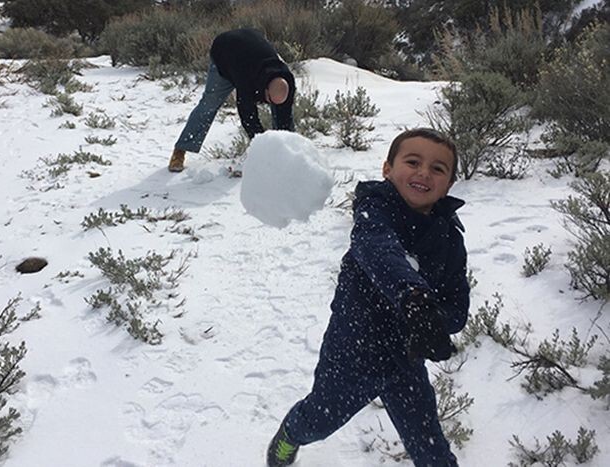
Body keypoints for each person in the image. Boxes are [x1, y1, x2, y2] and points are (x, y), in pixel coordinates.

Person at [266, 128, 470, 467]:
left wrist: (437, 322)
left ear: (449, 184)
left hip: (406, 360)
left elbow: (456, 301)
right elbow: (378, 250)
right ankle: (291, 432)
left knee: (431, 450)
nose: (423, 173)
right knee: (319, 421)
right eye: (413, 161)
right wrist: (413, 297)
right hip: (352, 354)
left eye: (438, 168)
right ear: (387, 169)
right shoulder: (373, 212)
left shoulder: (449, 238)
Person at [168, 28, 295, 172]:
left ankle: (288, 154)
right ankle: (180, 150)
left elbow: (285, 115)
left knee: (283, 115)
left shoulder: (287, 80)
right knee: (209, 104)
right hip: (225, 53)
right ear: (265, 90)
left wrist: (285, 148)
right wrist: (262, 145)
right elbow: (248, 115)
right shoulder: (245, 78)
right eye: (269, 101)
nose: (269, 104)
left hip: (251, 49)